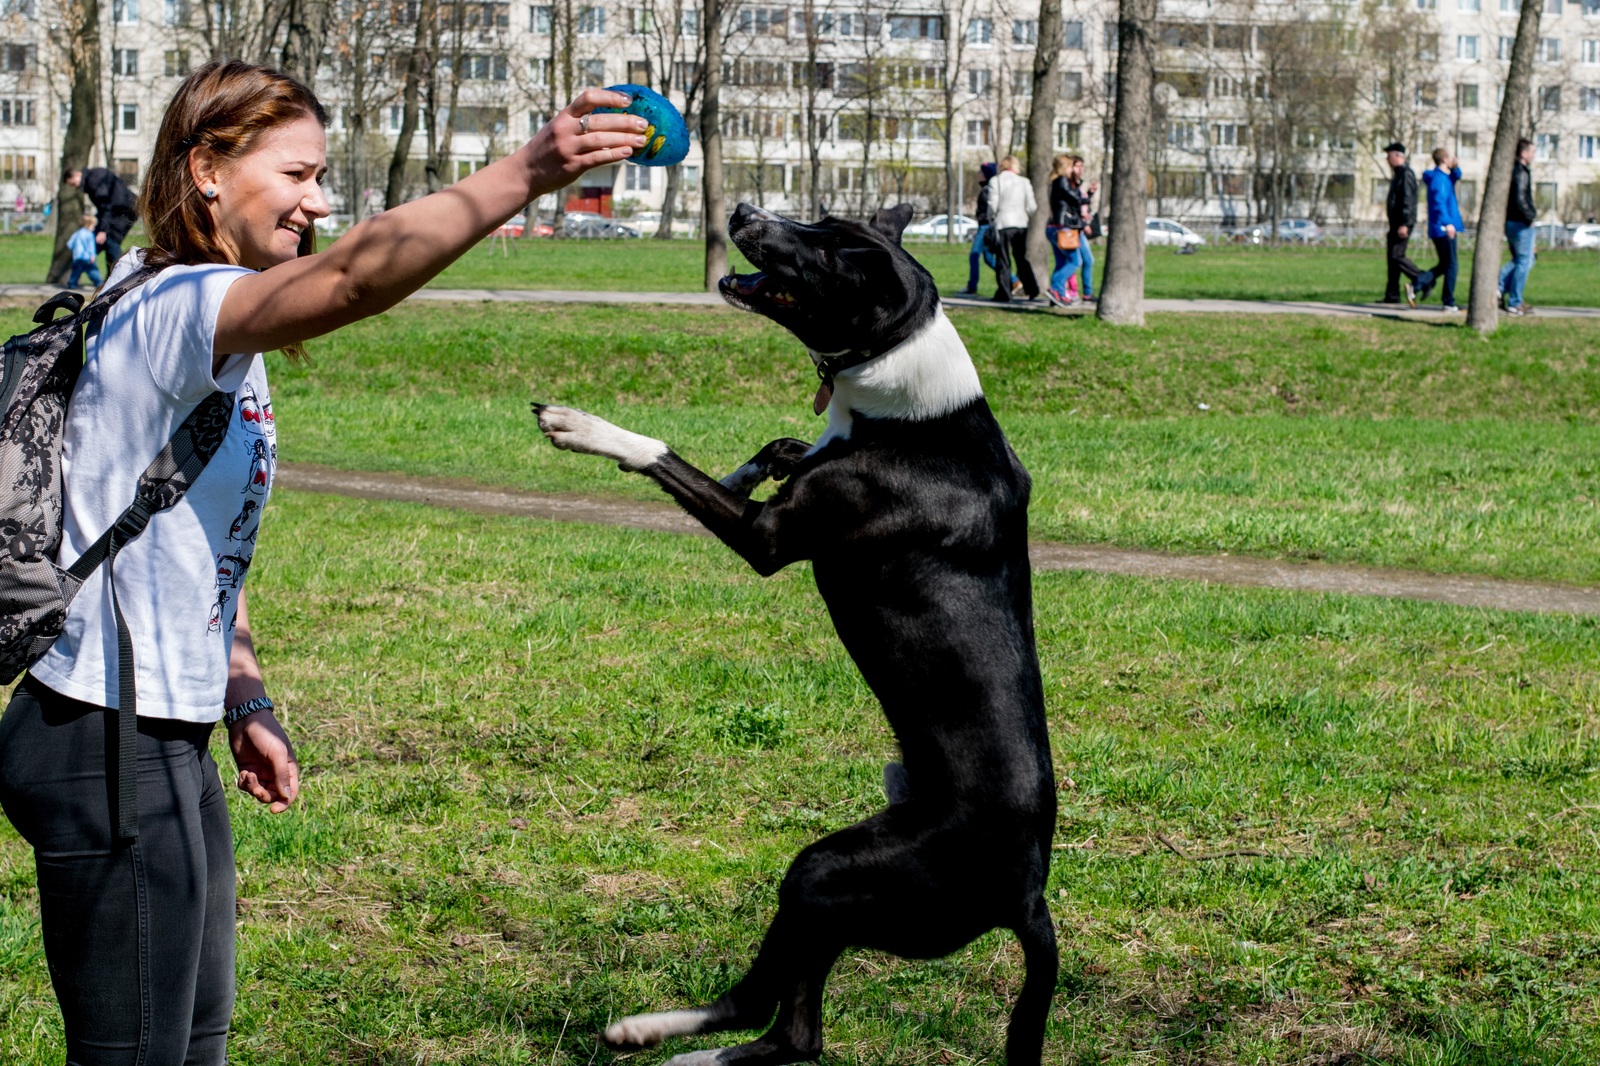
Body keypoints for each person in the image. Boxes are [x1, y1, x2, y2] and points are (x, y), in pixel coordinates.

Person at [0, 60, 645, 1064]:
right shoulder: (181, 305)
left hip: (165, 733)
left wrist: (243, 695)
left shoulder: (214, 322)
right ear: (207, 167)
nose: (320, 199)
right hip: (100, 738)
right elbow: (356, 275)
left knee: (195, 1041)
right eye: (297, 174)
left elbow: (198, 542)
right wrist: (527, 170)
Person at [1379, 142, 1432, 306]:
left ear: (1398, 156)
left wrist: (1405, 223)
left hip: (1402, 223)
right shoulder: (1399, 174)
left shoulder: (1406, 174)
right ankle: (1392, 295)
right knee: (1392, 259)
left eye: (1389, 155)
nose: (1387, 159)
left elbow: (1408, 201)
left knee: (1397, 256)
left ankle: (1423, 278)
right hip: (1395, 223)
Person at [64, 166, 140, 269]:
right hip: (119, 209)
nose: (74, 187)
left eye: (73, 184)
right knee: (103, 241)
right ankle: (109, 276)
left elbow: (105, 205)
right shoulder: (94, 176)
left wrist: (103, 230)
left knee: (111, 240)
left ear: (77, 174)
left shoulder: (94, 180)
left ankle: (122, 272)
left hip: (125, 209)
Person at [1418, 147, 1463, 311]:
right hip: (1444, 228)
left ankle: (1417, 284)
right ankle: (1448, 301)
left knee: (1445, 265)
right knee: (1452, 266)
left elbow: (1457, 175)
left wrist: (1456, 167)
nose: (1454, 159)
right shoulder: (1439, 180)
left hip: (1443, 226)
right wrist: (1447, 223)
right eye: (1451, 157)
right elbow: (1439, 203)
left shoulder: (1444, 177)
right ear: (1444, 160)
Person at [990, 155, 1038, 302]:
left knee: (1003, 260)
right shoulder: (1024, 182)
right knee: (1021, 258)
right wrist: (1025, 215)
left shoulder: (996, 180)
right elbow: (1032, 206)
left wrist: (994, 216)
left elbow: (993, 205)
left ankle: (1005, 293)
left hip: (1003, 223)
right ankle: (1032, 289)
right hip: (1021, 224)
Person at [1500, 137, 1537, 316]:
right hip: (1520, 222)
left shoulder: (1513, 170)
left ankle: (1501, 290)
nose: (1533, 155)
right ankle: (1513, 300)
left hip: (1512, 221)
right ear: (1523, 153)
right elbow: (1521, 199)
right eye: (1532, 151)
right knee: (1524, 261)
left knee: (1521, 260)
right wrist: (1530, 216)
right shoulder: (1521, 172)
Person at [1046, 155, 1083, 307]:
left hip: (1053, 227)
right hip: (1062, 228)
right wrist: (1086, 197)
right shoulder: (1062, 181)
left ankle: (1058, 295)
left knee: (1061, 263)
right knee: (1076, 261)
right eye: (1070, 167)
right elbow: (1075, 199)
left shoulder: (1055, 182)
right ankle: (1055, 287)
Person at [961, 161, 998, 295]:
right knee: (988, 259)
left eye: (981, 172)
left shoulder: (988, 190)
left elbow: (991, 209)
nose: (978, 174)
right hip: (984, 226)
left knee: (974, 254)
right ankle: (1014, 281)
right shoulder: (986, 188)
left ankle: (972, 286)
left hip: (985, 226)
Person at [1067, 156, 1098, 302]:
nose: (1081, 169)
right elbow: (1074, 206)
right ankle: (1062, 290)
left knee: (1087, 261)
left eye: (1082, 166)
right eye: (1077, 166)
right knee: (1074, 261)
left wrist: (1090, 194)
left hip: (1077, 228)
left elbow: (1080, 204)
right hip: (1073, 228)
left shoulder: (1077, 185)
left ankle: (1087, 293)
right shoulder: (1067, 184)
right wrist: (1083, 223)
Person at [67, 213, 102, 289]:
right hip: (87, 257)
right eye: (93, 226)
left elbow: (69, 244)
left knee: (75, 272)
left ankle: (72, 284)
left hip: (77, 256)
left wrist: (75, 249)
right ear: (87, 225)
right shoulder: (89, 234)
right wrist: (92, 255)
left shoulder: (77, 233)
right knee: (92, 271)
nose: (94, 228)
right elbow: (90, 246)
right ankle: (99, 283)